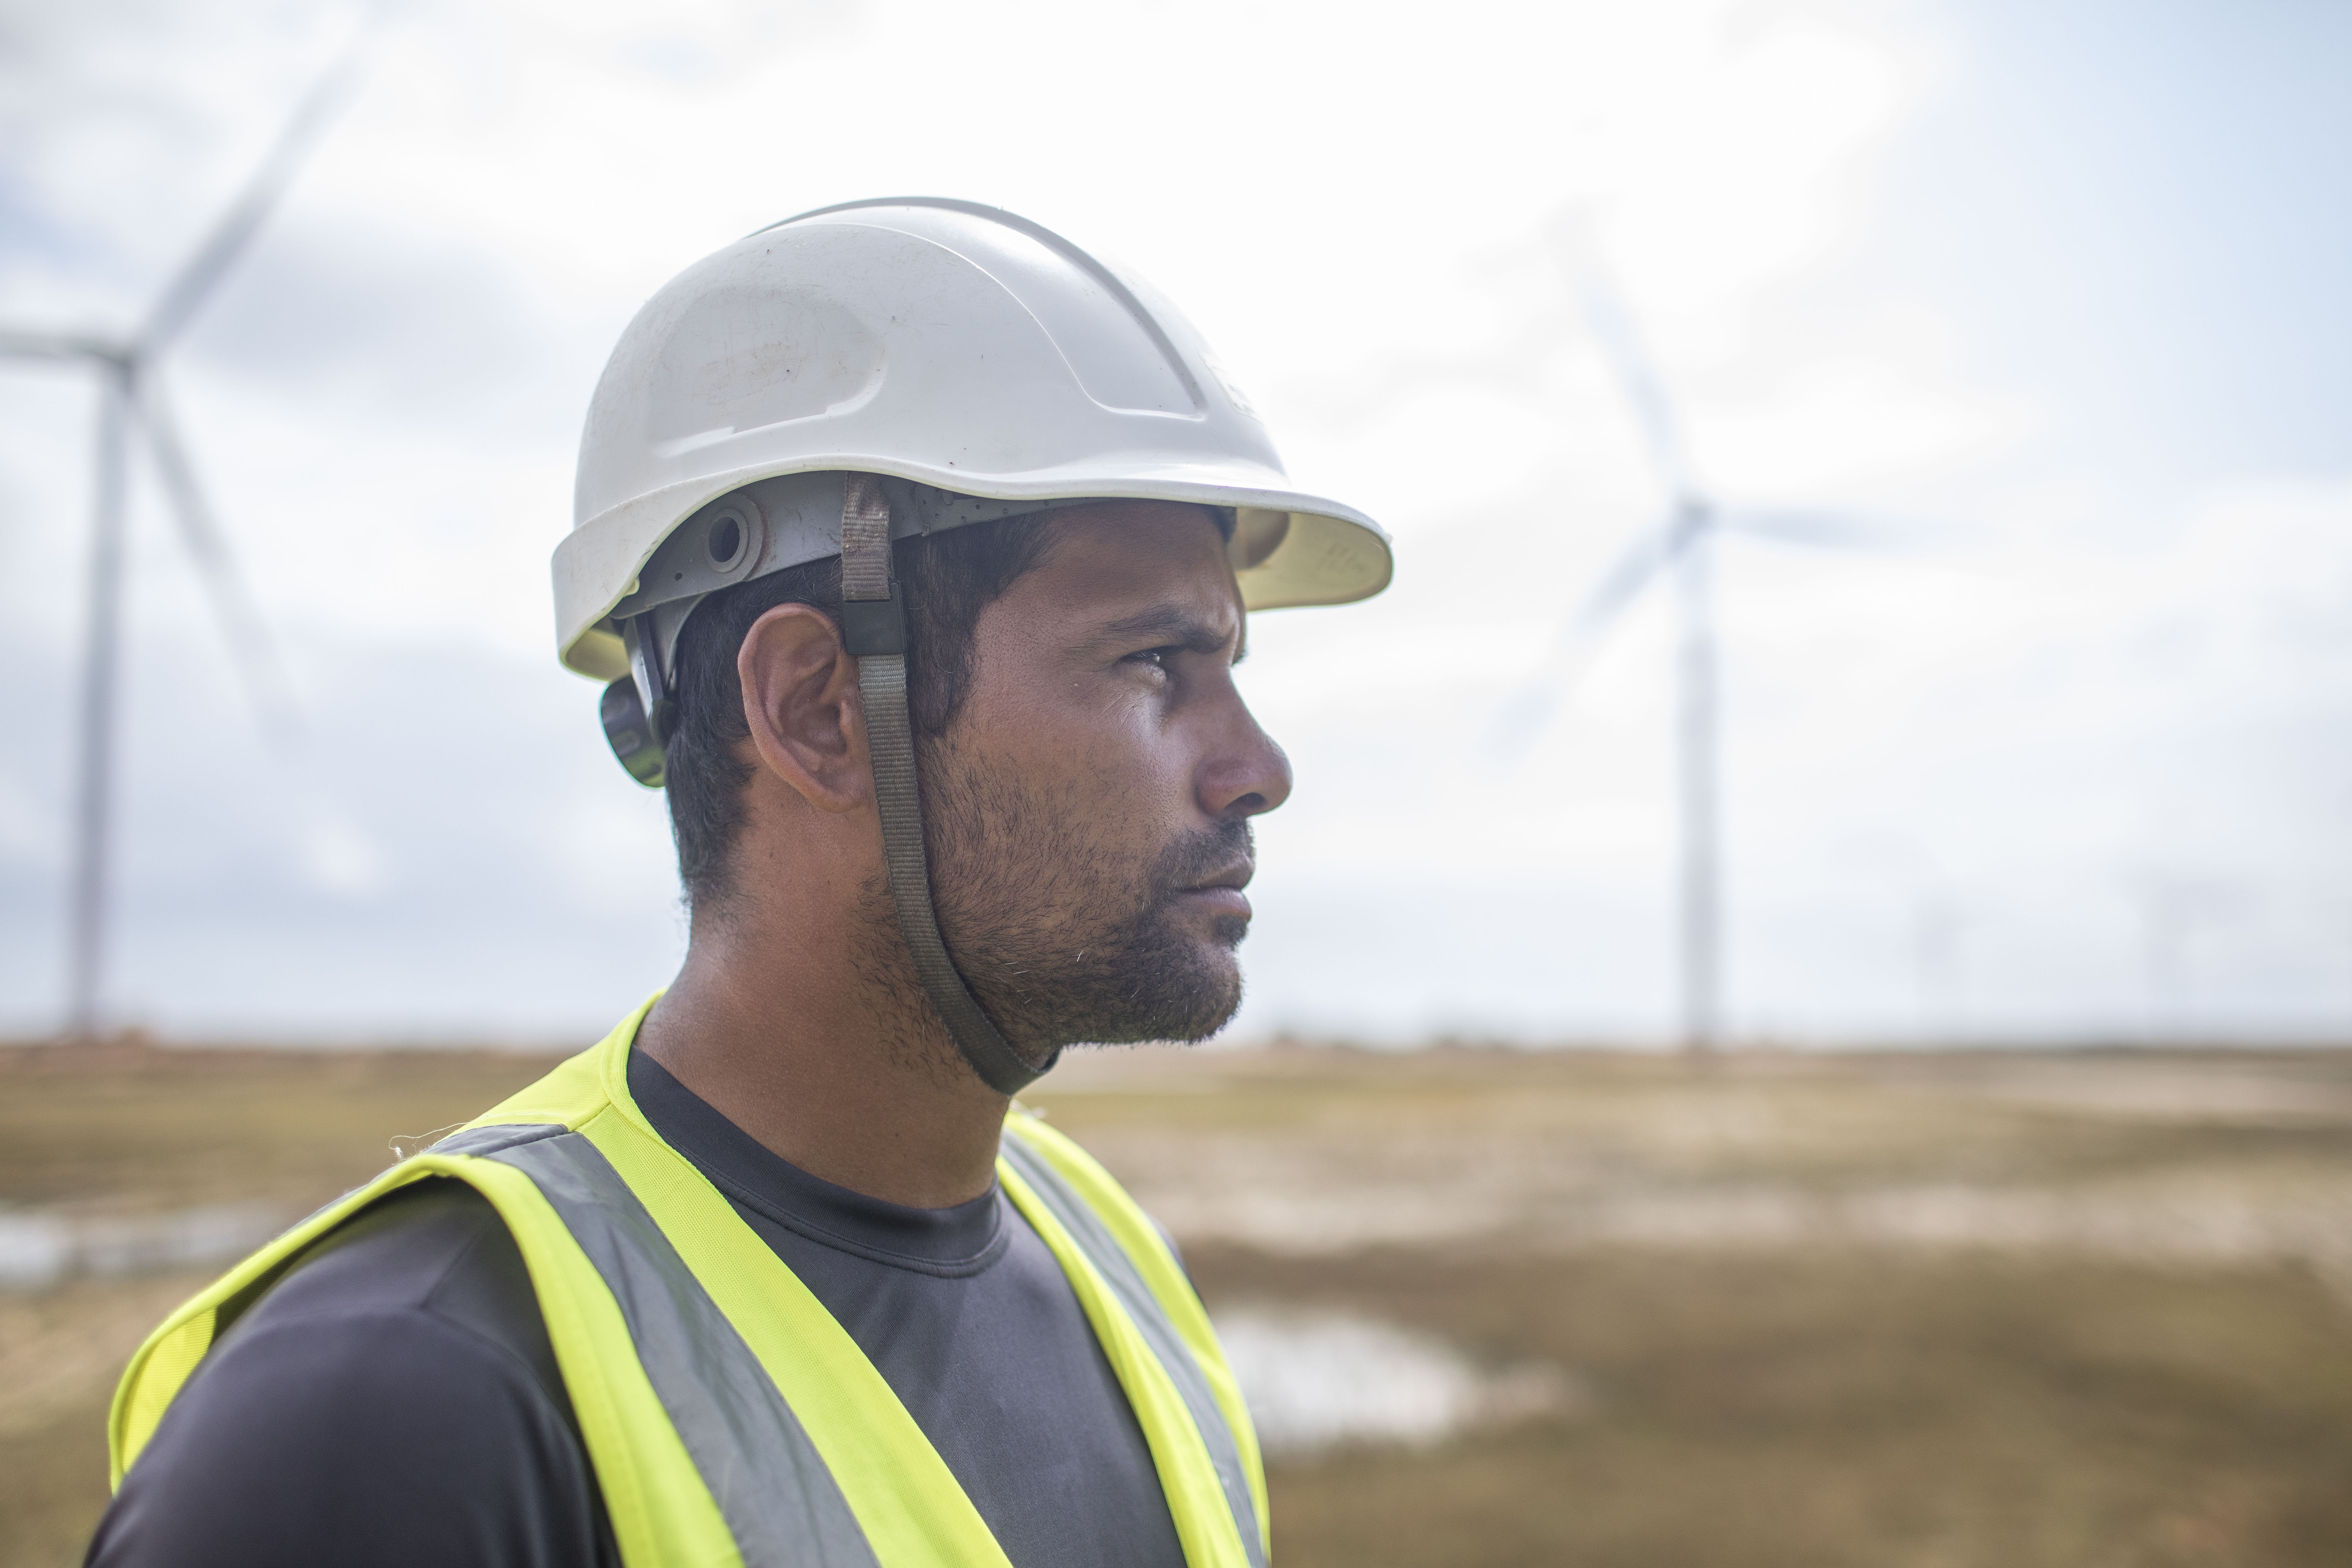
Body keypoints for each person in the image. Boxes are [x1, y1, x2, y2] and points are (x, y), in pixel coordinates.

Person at [87, 197, 1392, 1568]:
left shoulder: (1112, 1260)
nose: (1256, 768)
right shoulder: (394, 1409)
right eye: (1152, 663)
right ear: (819, 707)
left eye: (1230, 667)